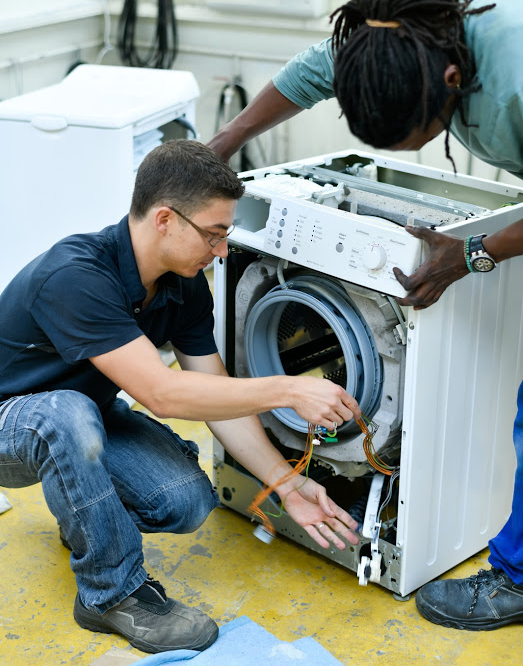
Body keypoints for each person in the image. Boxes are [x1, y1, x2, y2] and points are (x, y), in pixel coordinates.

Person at [208, 0, 523, 630]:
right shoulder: (391, 36)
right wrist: (224, 145)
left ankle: (519, 578)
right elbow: (303, 76)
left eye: (414, 131)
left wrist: (472, 252)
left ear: (451, 82)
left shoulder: (516, 73)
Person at [0, 139, 362, 654]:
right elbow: (162, 393)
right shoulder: (76, 275)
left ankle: (87, 524)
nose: (222, 251)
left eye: (226, 234)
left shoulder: (183, 284)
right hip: (11, 423)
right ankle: (110, 595)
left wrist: (285, 481)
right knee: (68, 412)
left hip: (85, 420)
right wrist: (287, 388)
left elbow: (213, 394)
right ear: (165, 219)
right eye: (214, 234)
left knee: (185, 500)